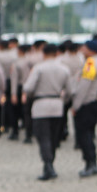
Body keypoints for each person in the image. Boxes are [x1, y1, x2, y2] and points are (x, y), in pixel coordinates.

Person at [22, 44, 73, 180]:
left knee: (43, 137)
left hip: (41, 105)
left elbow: (28, 87)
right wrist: (64, 99)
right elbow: (70, 90)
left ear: (43, 54)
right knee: (54, 138)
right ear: (57, 53)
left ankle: (48, 165)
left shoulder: (39, 68)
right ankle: (50, 164)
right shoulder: (64, 69)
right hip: (57, 105)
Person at [72, 40, 97, 178]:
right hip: (93, 101)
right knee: (87, 134)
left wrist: (76, 105)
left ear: (91, 50)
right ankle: (91, 163)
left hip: (86, 103)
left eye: (84, 47)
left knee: (84, 135)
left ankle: (90, 163)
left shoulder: (91, 63)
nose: (82, 49)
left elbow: (84, 86)